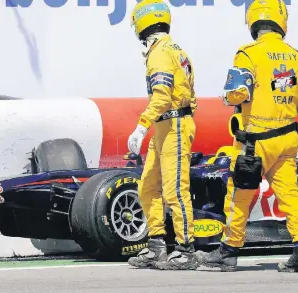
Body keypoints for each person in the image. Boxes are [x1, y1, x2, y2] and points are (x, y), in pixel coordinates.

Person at [196, 0, 298, 273]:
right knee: (290, 196)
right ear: (281, 19)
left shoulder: (248, 54)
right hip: (288, 138)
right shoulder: (293, 55)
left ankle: (227, 252)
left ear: (253, 21)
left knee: (239, 196)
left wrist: (227, 97)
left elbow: (238, 92)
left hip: (255, 142)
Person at [126, 0, 199, 270]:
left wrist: (141, 125)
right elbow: (190, 94)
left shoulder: (159, 53)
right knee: (147, 185)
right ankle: (157, 245)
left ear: (142, 23)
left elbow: (162, 96)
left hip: (172, 125)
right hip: (168, 125)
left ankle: (185, 249)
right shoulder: (177, 51)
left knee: (175, 190)